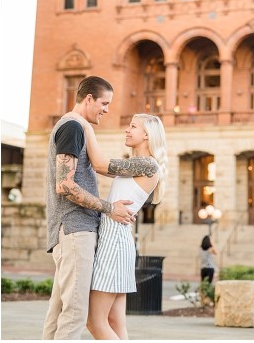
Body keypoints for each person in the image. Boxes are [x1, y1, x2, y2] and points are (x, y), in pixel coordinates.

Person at [42, 76, 136, 340]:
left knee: (59, 309)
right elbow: (65, 185)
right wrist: (109, 208)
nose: (107, 110)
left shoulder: (76, 126)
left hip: (71, 231)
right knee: (75, 313)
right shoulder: (72, 126)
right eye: (104, 103)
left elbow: (100, 166)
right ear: (89, 99)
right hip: (75, 230)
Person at [73, 113, 168, 340]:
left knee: (95, 322)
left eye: (133, 126)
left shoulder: (147, 164)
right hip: (117, 239)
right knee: (115, 323)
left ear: (147, 135)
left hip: (114, 241)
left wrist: (85, 125)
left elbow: (99, 163)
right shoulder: (139, 164)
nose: (127, 130)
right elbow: (102, 168)